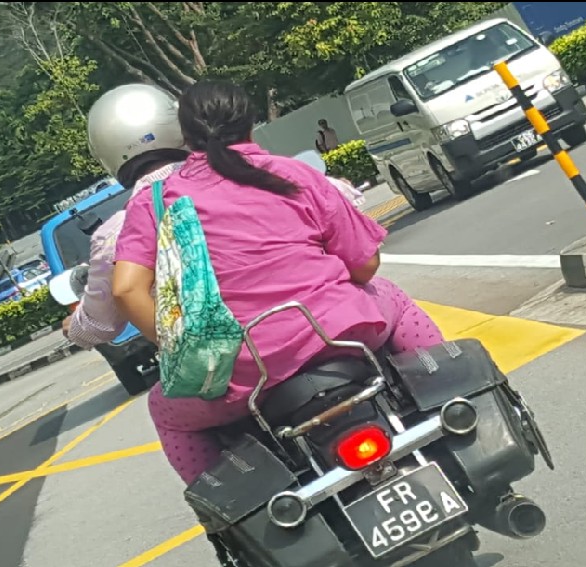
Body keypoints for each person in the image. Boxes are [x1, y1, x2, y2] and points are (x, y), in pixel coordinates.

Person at [112, 79, 444, 486]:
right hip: (342, 335)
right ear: (251, 125)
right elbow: (365, 266)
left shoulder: (156, 202)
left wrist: (188, 351)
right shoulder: (292, 173)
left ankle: (227, 515)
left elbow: (126, 290)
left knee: (165, 409)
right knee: (396, 299)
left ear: (186, 138)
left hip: (240, 373)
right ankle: (455, 400)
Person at [61, 83, 189, 349]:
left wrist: (74, 327)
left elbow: (99, 326)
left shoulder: (117, 233)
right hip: (292, 320)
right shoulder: (234, 177)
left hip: (222, 358)